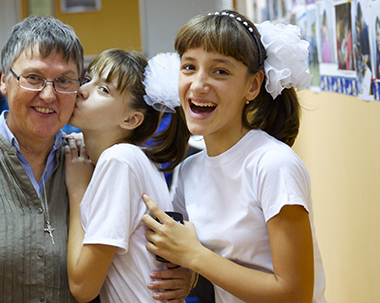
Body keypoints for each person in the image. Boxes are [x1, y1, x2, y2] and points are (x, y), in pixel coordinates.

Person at [0, 16, 192, 302]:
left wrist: (185, 274)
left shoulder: (90, 162)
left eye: (64, 81)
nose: (49, 95)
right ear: (4, 80)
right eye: (34, 78)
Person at [140, 10, 327, 303]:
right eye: (189, 67)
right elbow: (207, 258)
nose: (199, 84)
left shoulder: (273, 164)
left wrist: (196, 258)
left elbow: (294, 293)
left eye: (220, 71)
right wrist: (187, 275)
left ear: (252, 85)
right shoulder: (189, 171)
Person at [64, 50, 190, 302]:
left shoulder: (119, 160)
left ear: (131, 119)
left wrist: (78, 190)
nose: (82, 90)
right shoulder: (132, 158)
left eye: (103, 90)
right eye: (88, 79)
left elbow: (82, 286)